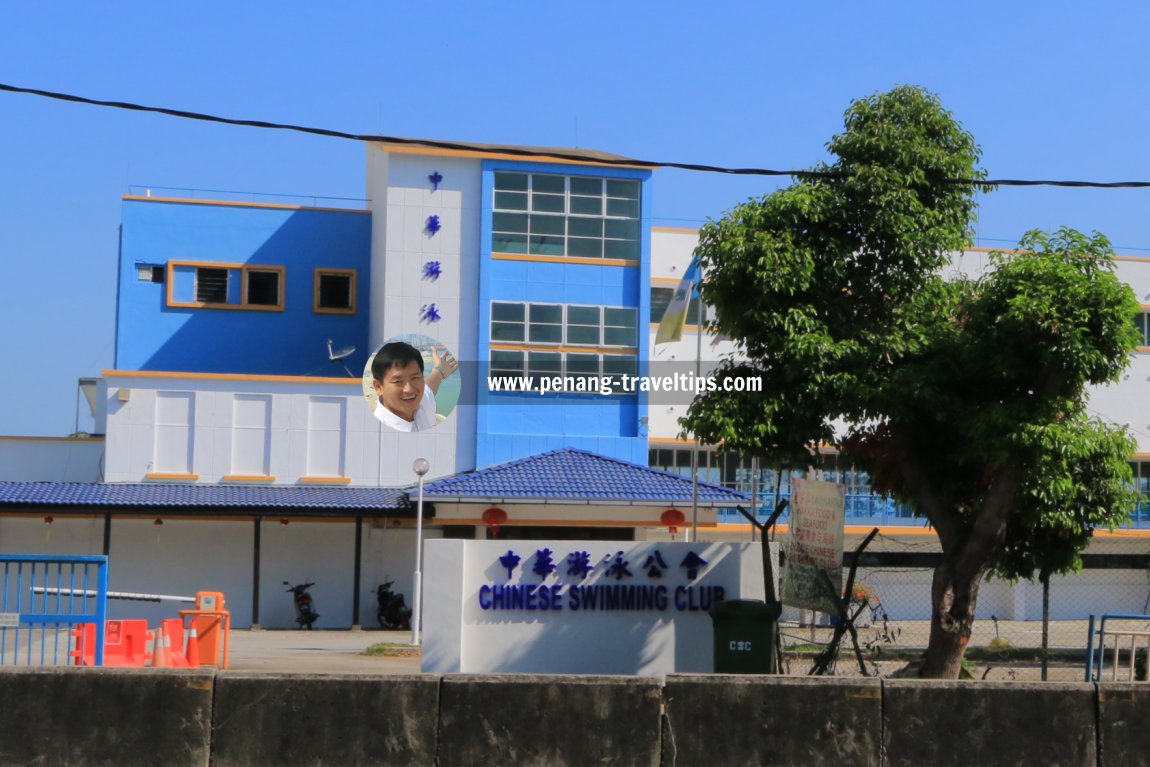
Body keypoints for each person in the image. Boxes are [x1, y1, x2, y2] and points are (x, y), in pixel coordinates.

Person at [370, 341, 458, 432]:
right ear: (378, 387)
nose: (409, 389)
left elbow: (431, 384)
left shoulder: (421, 402)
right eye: (398, 381)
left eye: (415, 378)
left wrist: (440, 370)